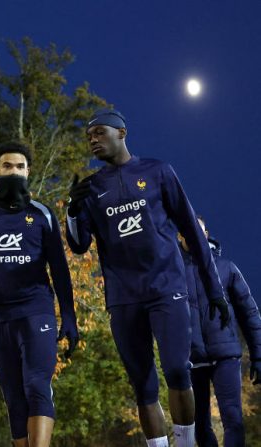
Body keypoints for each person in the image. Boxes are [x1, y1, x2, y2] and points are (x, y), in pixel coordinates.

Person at [65, 109, 230, 447]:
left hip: (166, 288)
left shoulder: (158, 171)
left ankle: (185, 443)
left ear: (122, 133)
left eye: (99, 132)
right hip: (124, 297)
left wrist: (214, 290)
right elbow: (80, 245)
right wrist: (71, 210)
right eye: (88, 136)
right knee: (143, 384)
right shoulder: (93, 188)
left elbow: (192, 233)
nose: (93, 140)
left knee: (177, 370)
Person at [0, 142, 78, 447]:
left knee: (36, 385)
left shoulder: (42, 214)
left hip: (36, 311)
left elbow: (60, 270)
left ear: (28, 172)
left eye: (20, 167)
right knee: (13, 396)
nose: (14, 172)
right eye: (7, 166)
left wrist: (70, 318)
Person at [182, 216, 261, 447]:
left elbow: (249, 313)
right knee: (199, 424)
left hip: (225, 356)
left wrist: (258, 355)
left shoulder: (227, 268)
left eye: (198, 229)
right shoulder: (173, 275)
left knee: (233, 419)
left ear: (206, 234)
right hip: (192, 360)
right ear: (180, 235)